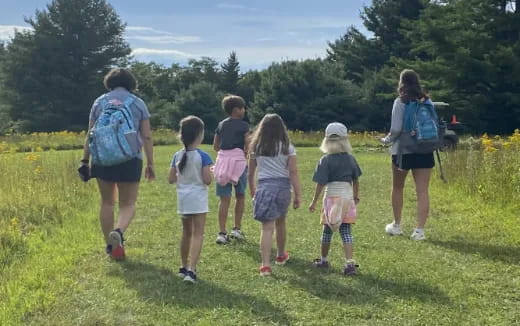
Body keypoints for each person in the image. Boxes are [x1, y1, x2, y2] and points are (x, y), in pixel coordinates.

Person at [80, 68, 155, 260]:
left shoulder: (99, 102)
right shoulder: (137, 103)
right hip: (130, 158)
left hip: (102, 158)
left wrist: (85, 160)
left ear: (109, 82)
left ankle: (111, 247)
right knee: (128, 203)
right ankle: (119, 232)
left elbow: (90, 134)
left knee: (106, 202)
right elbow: (146, 135)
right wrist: (150, 163)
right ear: (131, 83)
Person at [380, 69, 435, 241]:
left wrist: (385, 140)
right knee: (422, 191)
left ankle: (397, 225)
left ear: (401, 83)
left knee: (398, 187)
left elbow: (396, 129)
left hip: (403, 150)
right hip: (425, 148)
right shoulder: (427, 101)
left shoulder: (400, 101)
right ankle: (419, 230)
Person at [248, 114, 302, 276]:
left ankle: (265, 265)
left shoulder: (256, 147)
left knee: (266, 227)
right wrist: (298, 194)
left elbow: (250, 174)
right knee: (281, 223)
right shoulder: (287, 147)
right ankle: (280, 255)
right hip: (283, 188)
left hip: (264, 187)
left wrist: (253, 191)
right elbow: (293, 172)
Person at [309, 122, 361, 276]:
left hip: (331, 198)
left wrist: (314, 201)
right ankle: (349, 263)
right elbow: (356, 179)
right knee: (346, 231)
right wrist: (356, 196)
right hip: (346, 197)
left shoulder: (325, 160)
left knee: (327, 231)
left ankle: (324, 260)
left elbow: (320, 183)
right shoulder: (350, 159)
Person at [169, 116, 213, 284]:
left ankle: (183, 266)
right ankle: (192, 270)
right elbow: (207, 180)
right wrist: (211, 173)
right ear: (200, 135)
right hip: (198, 199)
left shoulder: (177, 155)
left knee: (186, 233)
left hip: (183, 198)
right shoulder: (203, 156)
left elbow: (171, 178)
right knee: (198, 234)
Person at [212, 95, 250, 244]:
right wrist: (246, 151)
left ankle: (221, 233)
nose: (244, 110)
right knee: (240, 195)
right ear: (237, 110)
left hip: (222, 162)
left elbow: (215, 145)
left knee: (224, 199)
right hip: (238, 162)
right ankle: (236, 229)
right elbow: (248, 143)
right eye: (243, 108)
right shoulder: (244, 125)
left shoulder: (221, 125)